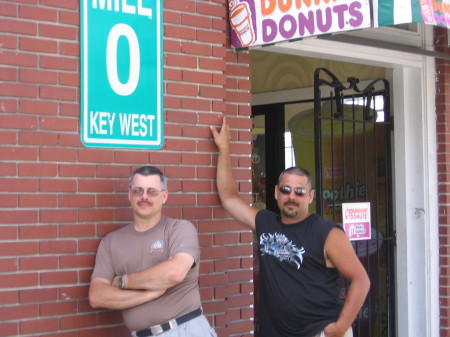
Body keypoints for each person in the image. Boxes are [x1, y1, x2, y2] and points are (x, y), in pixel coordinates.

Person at [210, 116, 370, 337]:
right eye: (286, 190)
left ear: (311, 196)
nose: (291, 196)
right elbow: (228, 197)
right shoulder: (265, 222)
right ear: (276, 192)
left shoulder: (327, 233)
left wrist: (339, 328)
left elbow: (361, 280)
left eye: (300, 191)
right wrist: (224, 148)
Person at [89, 166, 217, 337]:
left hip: (185, 330)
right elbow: (97, 296)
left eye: (152, 191)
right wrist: (149, 295)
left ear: (164, 196)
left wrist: (123, 282)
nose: (144, 197)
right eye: (138, 191)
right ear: (129, 194)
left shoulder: (179, 230)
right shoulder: (111, 242)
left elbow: (175, 272)